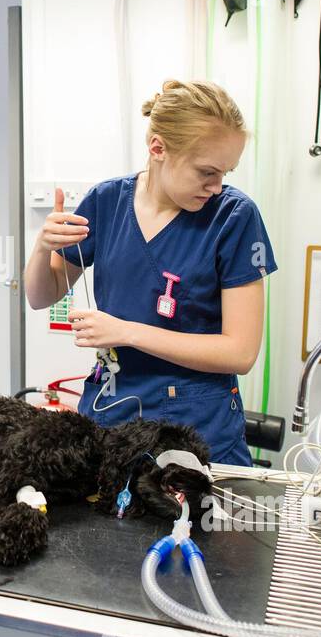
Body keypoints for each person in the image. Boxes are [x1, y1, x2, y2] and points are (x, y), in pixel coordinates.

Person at [23, 79, 277, 466]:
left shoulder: (235, 217)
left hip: (200, 432)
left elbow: (239, 352)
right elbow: (42, 296)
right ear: (158, 148)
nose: (217, 186)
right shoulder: (106, 202)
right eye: (206, 172)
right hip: (112, 418)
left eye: (226, 172)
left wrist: (126, 331)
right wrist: (42, 247)